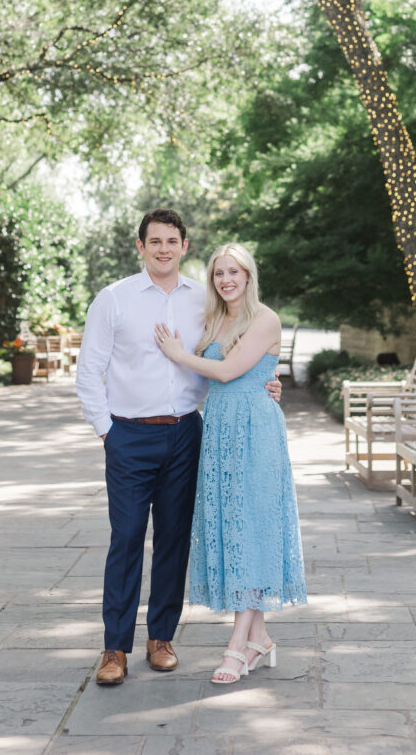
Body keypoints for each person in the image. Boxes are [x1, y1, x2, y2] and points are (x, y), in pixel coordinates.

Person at [76, 210, 282, 685]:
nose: (164, 248)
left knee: (174, 539)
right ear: (140, 246)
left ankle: (162, 637)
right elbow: (89, 371)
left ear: (185, 246)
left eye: (172, 240)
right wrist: (107, 430)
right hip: (128, 434)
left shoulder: (204, 301)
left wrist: (268, 385)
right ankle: (114, 648)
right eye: (155, 241)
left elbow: (236, 357)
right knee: (126, 539)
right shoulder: (114, 299)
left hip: (188, 433)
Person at [155, 241, 307, 684]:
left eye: (233, 272)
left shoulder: (265, 318)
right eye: (218, 273)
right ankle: (260, 638)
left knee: (252, 527)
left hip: (255, 432)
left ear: (248, 276)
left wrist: (179, 354)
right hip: (220, 429)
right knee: (233, 525)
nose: (225, 280)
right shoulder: (218, 318)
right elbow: (219, 381)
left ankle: (237, 646)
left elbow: (225, 371)